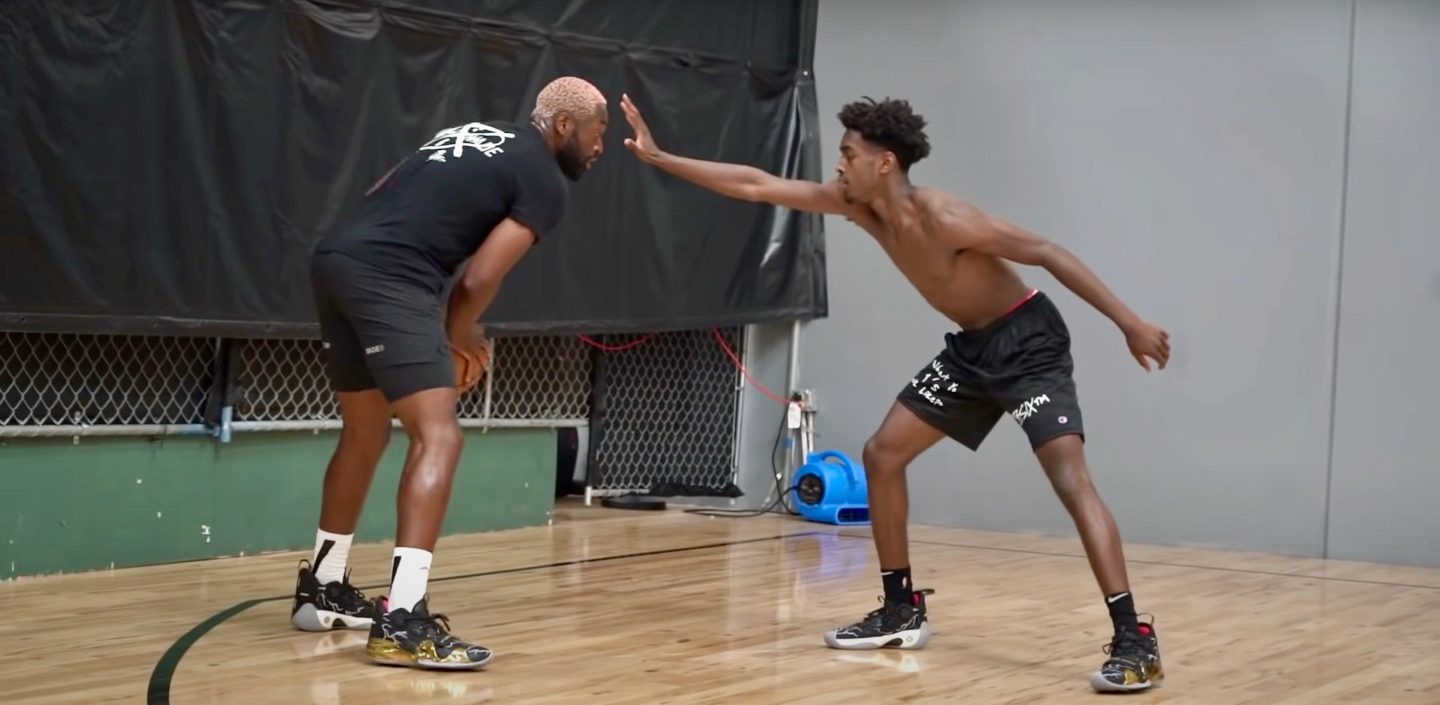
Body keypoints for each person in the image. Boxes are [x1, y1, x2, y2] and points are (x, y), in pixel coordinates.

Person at [620, 93, 1169, 692]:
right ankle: (901, 608)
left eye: (849, 154)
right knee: (883, 455)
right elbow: (756, 185)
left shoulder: (945, 216)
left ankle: (1134, 639)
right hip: (972, 349)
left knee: (1068, 479)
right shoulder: (858, 206)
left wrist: (1129, 323)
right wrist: (660, 158)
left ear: (884, 163)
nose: (838, 166)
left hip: (1027, 344)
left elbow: (1046, 252)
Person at [289, 76, 609, 670]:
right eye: (599, 130)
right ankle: (402, 619)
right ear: (565, 125)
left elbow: (382, 190)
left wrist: (451, 335)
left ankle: (324, 587)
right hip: (391, 274)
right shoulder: (543, 178)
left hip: (336, 259)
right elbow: (478, 280)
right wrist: (458, 339)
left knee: (366, 431)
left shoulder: (469, 134)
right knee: (439, 435)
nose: (601, 144)